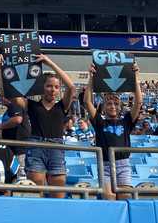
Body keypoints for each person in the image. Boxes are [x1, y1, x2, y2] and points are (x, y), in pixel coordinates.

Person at [19, 54, 76, 198]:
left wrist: (49, 62)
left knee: (58, 190)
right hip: (36, 146)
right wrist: (0, 69)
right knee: (35, 190)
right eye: (49, 86)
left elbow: (71, 86)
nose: (53, 89)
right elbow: (12, 95)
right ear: (42, 87)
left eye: (56, 87)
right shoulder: (31, 105)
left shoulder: (62, 106)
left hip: (57, 148)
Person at [84, 62, 143, 201]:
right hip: (104, 165)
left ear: (121, 107)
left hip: (123, 164)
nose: (112, 106)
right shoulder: (99, 121)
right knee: (108, 197)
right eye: (109, 103)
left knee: (125, 197)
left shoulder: (127, 121)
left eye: (116, 104)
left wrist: (135, 77)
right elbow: (87, 102)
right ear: (104, 107)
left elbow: (138, 102)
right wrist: (91, 76)